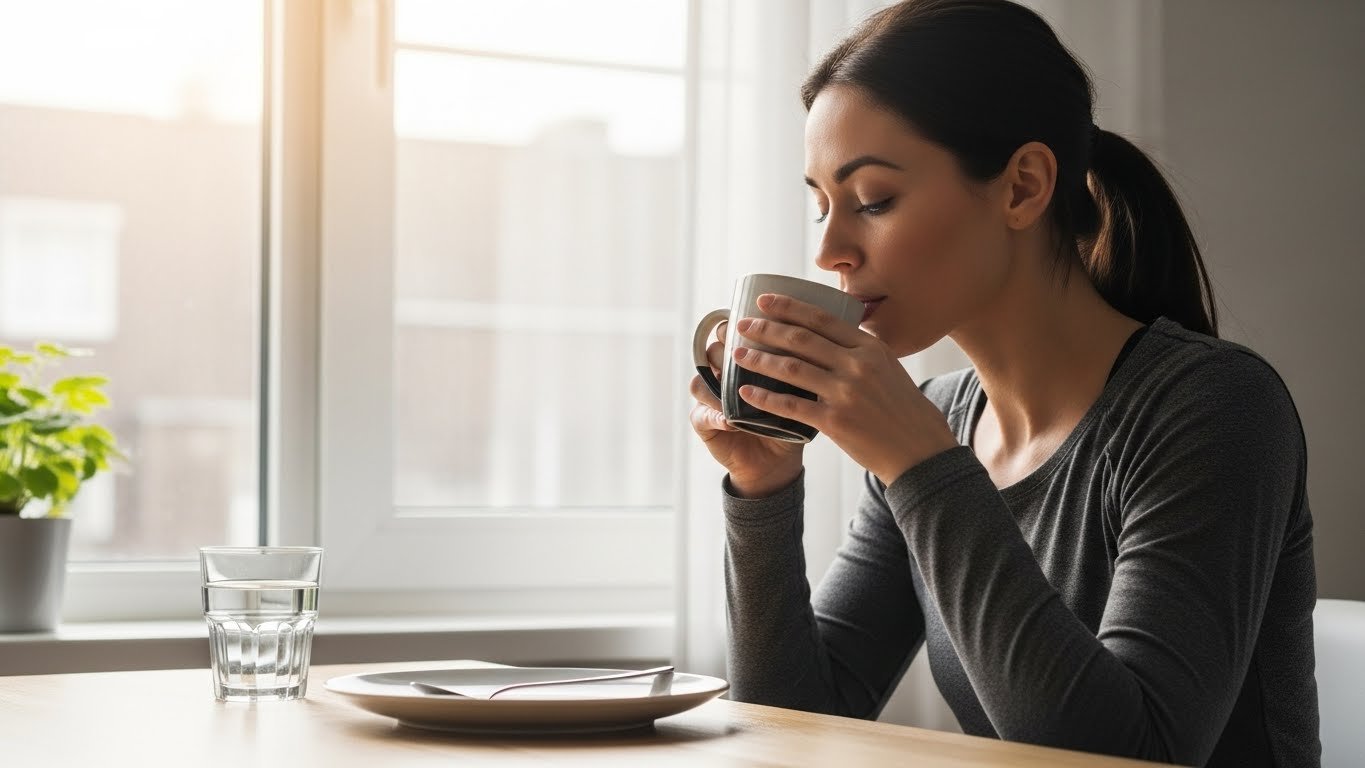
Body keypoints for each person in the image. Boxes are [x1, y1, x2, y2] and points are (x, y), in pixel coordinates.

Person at [687, 1, 1319, 766]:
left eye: (873, 200)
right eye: (820, 204)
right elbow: (793, 723)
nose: (828, 250)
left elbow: (1133, 752)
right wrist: (763, 491)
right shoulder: (939, 417)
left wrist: (923, 468)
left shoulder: (1212, 405)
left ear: (1022, 186)